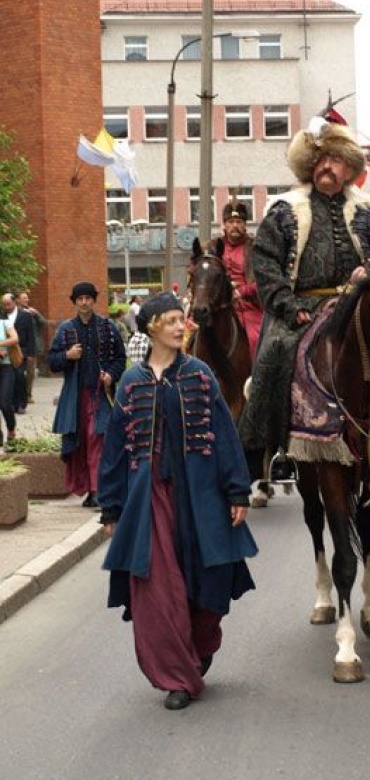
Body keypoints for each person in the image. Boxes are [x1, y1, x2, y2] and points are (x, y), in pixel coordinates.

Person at [97, 292, 257, 711]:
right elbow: (115, 449)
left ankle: (199, 647)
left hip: (201, 495)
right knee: (157, 589)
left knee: (209, 581)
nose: (180, 326)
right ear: (151, 328)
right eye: (171, 320)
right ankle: (176, 677)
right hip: (149, 499)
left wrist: (237, 489)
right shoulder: (132, 382)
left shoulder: (200, 374)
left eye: (180, 319)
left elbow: (224, 433)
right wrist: (112, 506)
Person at [238, 119, 370, 472]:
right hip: (302, 305)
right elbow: (265, 263)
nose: (326, 166)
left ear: (349, 167)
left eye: (335, 159)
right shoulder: (284, 210)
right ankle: (268, 447)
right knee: (273, 354)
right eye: (319, 160)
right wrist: (288, 306)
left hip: (359, 302)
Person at [47, 282, 127, 507]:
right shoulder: (65, 329)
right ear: (75, 302)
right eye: (80, 298)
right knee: (79, 442)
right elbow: (52, 361)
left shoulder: (108, 327)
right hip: (75, 397)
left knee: (98, 439)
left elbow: (120, 358)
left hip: (101, 396)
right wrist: (67, 355)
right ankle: (88, 488)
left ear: (94, 300)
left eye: (88, 298)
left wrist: (111, 375)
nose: (84, 302)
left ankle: (97, 490)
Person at [209, 200, 264, 360]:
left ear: (245, 225)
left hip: (248, 306)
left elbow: (263, 280)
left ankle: (255, 378)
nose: (235, 225)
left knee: (255, 338)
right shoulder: (211, 247)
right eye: (230, 222)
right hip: (215, 306)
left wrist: (241, 292)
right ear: (224, 225)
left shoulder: (257, 248)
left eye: (239, 221)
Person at [2, 292, 35, 415]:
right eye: (4, 305)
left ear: (14, 302)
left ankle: (21, 404)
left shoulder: (25, 316)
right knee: (9, 378)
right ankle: (10, 404)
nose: (6, 307)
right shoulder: (1, 316)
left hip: (22, 351)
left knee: (20, 376)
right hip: (6, 351)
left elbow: (31, 335)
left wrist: (31, 353)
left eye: (8, 304)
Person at [17, 291, 47, 403]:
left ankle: (28, 395)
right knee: (19, 373)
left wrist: (37, 314)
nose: (26, 300)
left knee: (30, 372)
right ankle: (19, 395)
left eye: (27, 298)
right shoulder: (16, 313)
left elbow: (43, 324)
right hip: (19, 347)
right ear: (18, 300)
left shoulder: (32, 312)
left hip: (32, 347)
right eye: (24, 298)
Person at [0, 310, 19, 451]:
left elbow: (14, 338)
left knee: (5, 402)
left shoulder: (4, 322)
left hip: (6, 368)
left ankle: (11, 429)